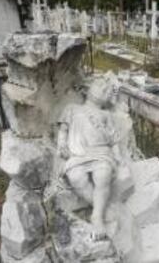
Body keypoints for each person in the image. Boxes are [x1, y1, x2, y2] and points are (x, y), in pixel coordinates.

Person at [57, 80, 121, 241]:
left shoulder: (107, 115)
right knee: (76, 177)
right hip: (78, 154)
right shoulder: (72, 108)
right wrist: (61, 144)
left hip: (101, 152)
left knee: (103, 175)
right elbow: (63, 129)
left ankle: (97, 217)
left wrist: (119, 157)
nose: (103, 91)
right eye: (100, 86)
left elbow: (114, 140)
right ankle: (101, 207)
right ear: (89, 88)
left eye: (107, 91)